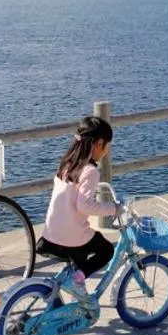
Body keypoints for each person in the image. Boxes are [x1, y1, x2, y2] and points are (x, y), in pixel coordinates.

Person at [39, 116, 120, 310]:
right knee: (106, 250)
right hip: (71, 238)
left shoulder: (67, 163)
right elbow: (84, 206)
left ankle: (77, 289)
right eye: (107, 145)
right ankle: (76, 282)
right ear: (99, 144)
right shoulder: (90, 171)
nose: (107, 150)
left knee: (81, 256)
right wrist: (113, 208)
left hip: (51, 234)